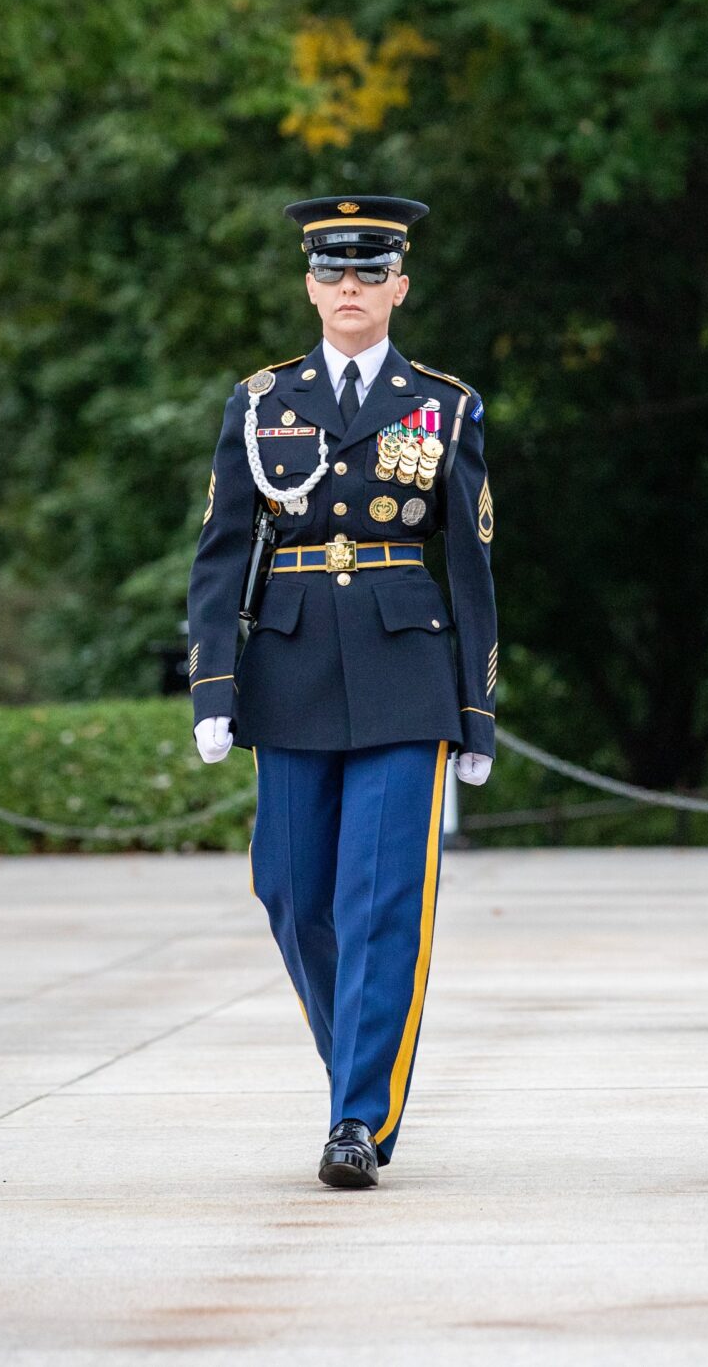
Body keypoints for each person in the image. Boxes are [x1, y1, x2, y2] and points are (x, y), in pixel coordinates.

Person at [185, 194, 498, 1190]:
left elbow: (474, 564)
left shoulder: (442, 404)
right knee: (289, 890)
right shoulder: (261, 400)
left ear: (400, 284)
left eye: (369, 271)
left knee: (379, 901)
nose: (349, 287)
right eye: (332, 271)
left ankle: (359, 1113)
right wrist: (211, 685)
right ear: (309, 283)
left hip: (407, 671)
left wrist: (477, 706)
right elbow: (221, 549)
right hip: (290, 666)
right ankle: (359, 1063)